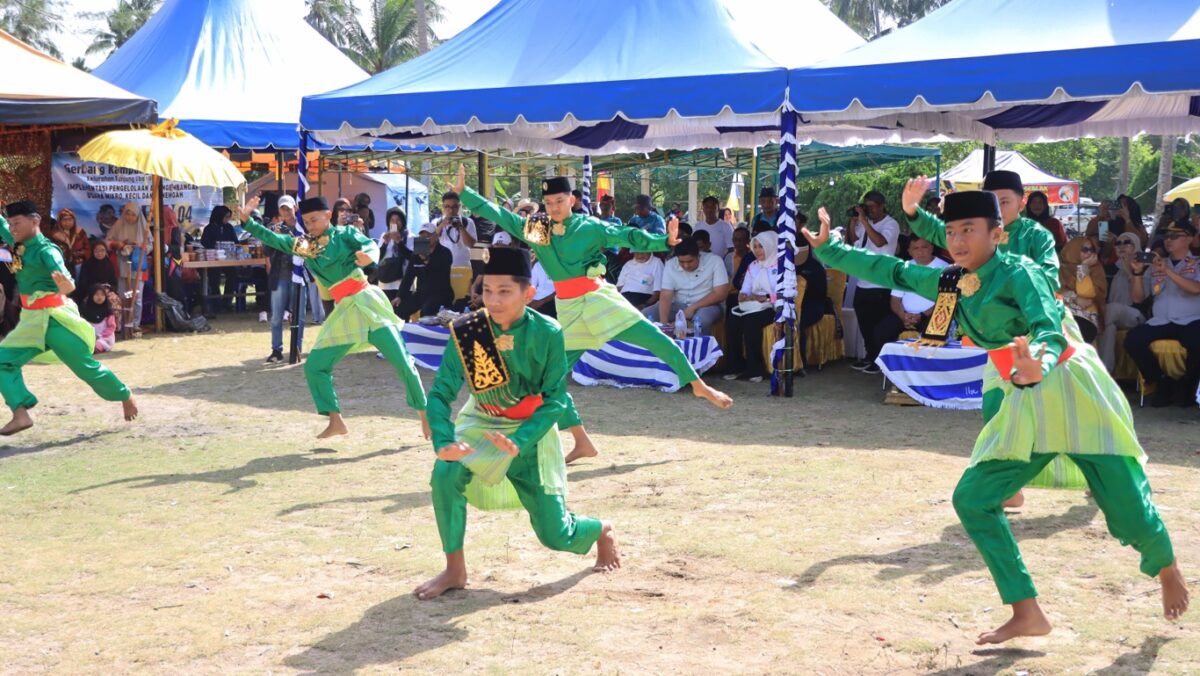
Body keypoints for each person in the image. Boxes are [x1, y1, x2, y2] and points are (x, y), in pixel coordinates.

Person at [804, 191, 1188, 645]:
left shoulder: (1019, 271)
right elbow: (892, 270)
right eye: (951, 232)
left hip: (1069, 386)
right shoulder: (951, 280)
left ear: (997, 234)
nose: (958, 240)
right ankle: (1027, 611)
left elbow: (1048, 326)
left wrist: (1038, 363)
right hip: (1020, 393)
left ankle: (1167, 567)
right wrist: (829, 249)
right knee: (973, 498)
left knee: (1127, 508)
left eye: (969, 230)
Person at [453, 166, 732, 465]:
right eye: (548, 203)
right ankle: (582, 441)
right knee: (552, 382)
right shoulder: (539, 228)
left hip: (598, 299)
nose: (553, 208)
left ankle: (697, 384)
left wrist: (664, 242)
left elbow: (627, 235)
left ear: (572, 200)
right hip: (569, 308)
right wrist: (463, 192)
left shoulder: (588, 226)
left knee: (652, 336)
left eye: (559, 201)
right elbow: (501, 216)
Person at [415, 246, 619, 600]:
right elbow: (442, 392)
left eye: (505, 291)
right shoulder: (468, 330)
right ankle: (455, 569)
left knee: (555, 535)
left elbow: (555, 401)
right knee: (445, 473)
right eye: (487, 291)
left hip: (531, 434)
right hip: (482, 422)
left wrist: (521, 440)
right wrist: (444, 440)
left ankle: (601, 530)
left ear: (529, 293)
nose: (493, 301)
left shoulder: (549, 333)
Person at [241, 195, 429, 439]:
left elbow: (369, 244)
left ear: (328, 215)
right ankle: (335, 420)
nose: (310, 226)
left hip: (368, 305)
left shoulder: (345, 234)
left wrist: (369, 256)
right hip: (345, 313)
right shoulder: (307, 246)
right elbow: (277, 240)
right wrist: (247, 221)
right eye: (306, 222)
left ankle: (426, 416)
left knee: (403, 362)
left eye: (314, 220)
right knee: (315, 366)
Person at [0, 201, 138, 434]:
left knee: (86, 368)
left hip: (55, 320)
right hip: (32, 322)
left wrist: (65, 283)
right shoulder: (18, 243)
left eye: (17, 223)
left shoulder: (47, 250)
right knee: (2, 362)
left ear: (35, 221)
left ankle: (124, 394)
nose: (12, 228)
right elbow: (2, 225)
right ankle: (20, 413)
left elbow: (65, 278)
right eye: (11, 223)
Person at [1125, 219, 1200, 407]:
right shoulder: (1155, 264)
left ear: (1189, 238)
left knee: (1197, 342)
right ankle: (1160, 381)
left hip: (1190, 320)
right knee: (1133, 340)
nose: (1168, 240)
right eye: (1166, 236)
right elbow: (1138, 299)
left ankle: (1187, 386)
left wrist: (1168, 271)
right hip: (1161, 321)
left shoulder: (1197, 263)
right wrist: (1137, 274)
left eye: (1175, 236)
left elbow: (1195, 289)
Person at [847, 190, 901, 374]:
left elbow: (879, 242)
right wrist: (853, 220)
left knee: (879, 325)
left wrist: (864, 222)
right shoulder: (866, 222)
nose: (869, 211)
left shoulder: (891, 224)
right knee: (865, 323)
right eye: (866, 207)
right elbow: (853, 241)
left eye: (872, 207)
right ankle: (870, 357)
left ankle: (880, 361)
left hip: (881, 283)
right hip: (863, 281)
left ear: (881, 205)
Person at [872, 236, 948, 348]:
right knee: (880, 332)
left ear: (931, 248)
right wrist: (903, 316)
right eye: (915, 248)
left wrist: (921, 315)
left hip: (932, 316)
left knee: (933, 339)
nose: (920, 252)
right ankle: (884, 365)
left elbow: (945, 301)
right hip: (904, 315)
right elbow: (895, 299)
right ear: (910, 252)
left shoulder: (944, 269)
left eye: (924, 247)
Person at [723, 230, 778, 382]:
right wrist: (743, 295)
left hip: (774, 307)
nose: (758, 250)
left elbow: (788, 293)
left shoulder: (783, 266)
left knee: (751, 323)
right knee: (733, 320)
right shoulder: (753, 265)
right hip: (753, 306)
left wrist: (766, 297)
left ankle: (756, 369)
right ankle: (735, 366)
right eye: (756, 246)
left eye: (761, 246)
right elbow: (745, 288)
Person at [645, 237, 730, 336]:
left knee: (702, 320)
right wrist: (664, 325)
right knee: (646, 315)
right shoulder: (670, 264)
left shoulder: (715, 261)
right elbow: (666, 296)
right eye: (681, 262)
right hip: (677, 305)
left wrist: (693, 308)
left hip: (707, 305)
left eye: (690, 261)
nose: (686, 265)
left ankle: (700, 349)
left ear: (698, 255)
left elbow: (720, 294)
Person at [264, 196, 308, 363]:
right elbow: (267, 252)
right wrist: (271, 237)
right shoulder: (275, 228)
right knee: (276, 316)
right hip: (280, 276)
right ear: (279, 211)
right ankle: (276, 350)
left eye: (288, 208)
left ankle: (296, 348)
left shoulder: (303, 227)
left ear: (294, 208)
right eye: (283, 209)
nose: (286, 212)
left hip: (299, 276)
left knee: (300, 316)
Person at [1098, 232, 1148, 372]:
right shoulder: (1113, 268)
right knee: (1108, 329)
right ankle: (1105, 372)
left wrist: (1130, 269)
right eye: (1118, 243)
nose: (1121, 246)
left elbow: (1139, 298)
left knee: (1109, 311)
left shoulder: (1146, 266)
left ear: (1136, 245)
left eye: (1127, 242)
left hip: (1137, 315)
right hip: (1112, 316)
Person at [108, 201, 152, 333]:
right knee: (124, 295)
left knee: (136, 296)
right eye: (127, 214)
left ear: (138, 215)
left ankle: (135, 324)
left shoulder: (144, 227)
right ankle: (123, 324)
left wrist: (141, 247)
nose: (130, 217)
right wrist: (118, 244)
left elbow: (150, 245)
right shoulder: (119, 225)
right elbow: (108, 241)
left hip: (138, 266)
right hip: (122, 265)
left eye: (133, 215)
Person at [1058, 236, 1107, 344]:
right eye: (1085, 250)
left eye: (1092, 250)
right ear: (1073, 250)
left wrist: (1083, 267)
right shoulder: (1059, 269)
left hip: (1088, 316)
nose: (1088, 253)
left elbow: (1087, 293)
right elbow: (1052, 293)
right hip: (1064, 315)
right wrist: (1074, 298)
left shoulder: (1096, 268)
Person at [397, 233, 454, 319]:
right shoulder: (417, 253)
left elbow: (439, 275)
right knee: (399, 309)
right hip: (421, 294)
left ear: (435, 236)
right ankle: (404, 331)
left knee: (426, 310)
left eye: (428, 235)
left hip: (441, 293)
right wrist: (400, 296)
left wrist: (425, 259)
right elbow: (408, 278)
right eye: (422, 237)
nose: (425, 239)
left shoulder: (445, 252)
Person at [421, 191, 477, 269]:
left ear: (459, 206)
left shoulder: (468, 222)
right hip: (441, 267)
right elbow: (427, 244)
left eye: (454, 207)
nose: (451, 210)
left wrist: (460, 227)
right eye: (447, 206)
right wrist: (441, 225)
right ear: (443, 207)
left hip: (462, 267)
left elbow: (471, 244)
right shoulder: (436, 222)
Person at [200, 205, 237, 315]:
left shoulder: (229, 227)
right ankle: (216, 304)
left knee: (233, 274)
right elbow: (204, 243)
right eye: (225, 217)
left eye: (228, 217)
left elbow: (235, 241)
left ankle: (227, 301)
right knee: (214, 277)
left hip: (228, 259)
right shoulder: (209, 228)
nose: (227, 220)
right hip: (213, 260)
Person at [1086, 195, 1146, 263]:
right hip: (1107, 262)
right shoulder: (1109, 222)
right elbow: (1089, 233)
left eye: (1124, 205)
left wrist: (1127, 218)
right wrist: (1101, 215)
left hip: (1130, 262)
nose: (1120, 207)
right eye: (1118, 204)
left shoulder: (1138, 226)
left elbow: (1138, 241)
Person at [377, 206, 412, 312]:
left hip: (403, 285)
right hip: (385, 283)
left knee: (401, 315)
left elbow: (413, 258)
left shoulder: (411, 236)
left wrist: (399, 243)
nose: (395, 223)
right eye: (392, 220)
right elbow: (377, 257)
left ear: (403, 221)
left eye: (398, 220)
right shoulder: (384, 235)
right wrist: (385, 244)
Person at [74, 241, 119, 306]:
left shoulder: (109, 264)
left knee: (114, 302)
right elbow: (83, 284)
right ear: (93, 252)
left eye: (102, 250)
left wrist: (110, 290)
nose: (100, 253)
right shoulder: (87, 265)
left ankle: (110, 316)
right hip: (91, 292)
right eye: (97, 251)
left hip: (107, 292)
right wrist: (97, 290)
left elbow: (114, 282)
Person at [80, 283, 117, 353]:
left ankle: (95, 349)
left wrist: (100, 335)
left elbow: (112, 327)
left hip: (105, 337)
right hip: (90, 336)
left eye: (102, 295)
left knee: (98, 344)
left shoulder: (108, 311)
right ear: (91, 296)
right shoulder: (86, 310)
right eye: (97, 294)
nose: (99, 297)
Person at [53, 208, 89, 278]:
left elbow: (87, 248)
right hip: (61, 265)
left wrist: (78, 254)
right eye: (64, 220)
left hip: (78, 264)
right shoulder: (54, 235)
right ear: (59, 221)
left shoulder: (80, 233)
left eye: (70, 219)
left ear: (74, 220)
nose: (67, 223)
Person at [529, 253, 556, 318]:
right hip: (536, 300)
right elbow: (532, 285)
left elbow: (559, 290)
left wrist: (541, 302)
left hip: (552, 301)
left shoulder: (558, 266)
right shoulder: (538, 265)